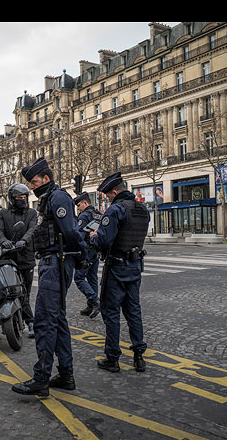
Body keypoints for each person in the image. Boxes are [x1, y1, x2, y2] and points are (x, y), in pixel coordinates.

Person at [11, 158, 87, 397]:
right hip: (51, 261)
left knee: (44, 320)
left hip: (56, 262)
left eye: (34, 182)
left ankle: (41, 378)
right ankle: (66, 374)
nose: (31, 187)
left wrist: (82, 255)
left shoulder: (58, 197)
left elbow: (71, 232)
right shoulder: (47, 199)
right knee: (58, 320)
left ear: (46, 178)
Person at [89, 172, 149, 373]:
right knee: (134, 311)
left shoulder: (116, 210)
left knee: (111, 312)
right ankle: (139, 356)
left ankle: (112, 358)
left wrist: (94, 236)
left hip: (116, 268)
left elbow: (105, 241)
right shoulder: (142, 209)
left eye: (108, 195)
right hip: (135, 267)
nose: (107, 199)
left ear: (115, 192)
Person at [0, 183, 37, 338]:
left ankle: (30, 321)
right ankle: (10, 317)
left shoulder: (32, 213)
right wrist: (3, 240)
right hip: (9, 257)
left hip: (26, 257)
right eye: (18, 197)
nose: (22, 199)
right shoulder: (4, 214)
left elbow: (32, 230)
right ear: (12, 199)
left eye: (24, 197)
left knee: (25, 291)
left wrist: (24, 241)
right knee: (8, 290)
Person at [73, 192, 101, 319]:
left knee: (79, 278)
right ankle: (91, 305)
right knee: (92, 278)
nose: (78, 208)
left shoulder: (84, 216)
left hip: (86, 251)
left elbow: (79, 236)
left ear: (85, 203)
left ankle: (95, 301)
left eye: (79, 205)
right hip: (96, 249)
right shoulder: (98, 215)